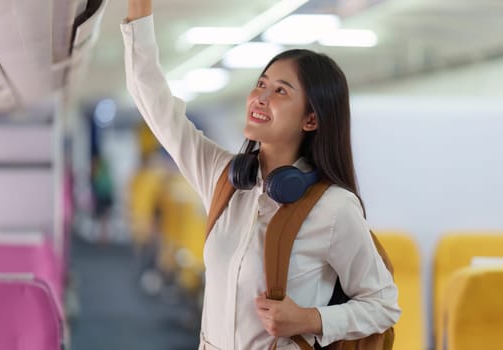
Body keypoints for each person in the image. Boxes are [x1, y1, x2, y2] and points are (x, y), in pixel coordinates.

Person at [121, 1, 400, 349]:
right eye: (261, 84)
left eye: (280, 91)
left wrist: (312, 319)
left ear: (310, 120)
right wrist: (138, 10)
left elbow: (383, 304)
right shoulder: (223, 179)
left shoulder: (333, 207)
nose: (260, 97)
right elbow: (152, 101)